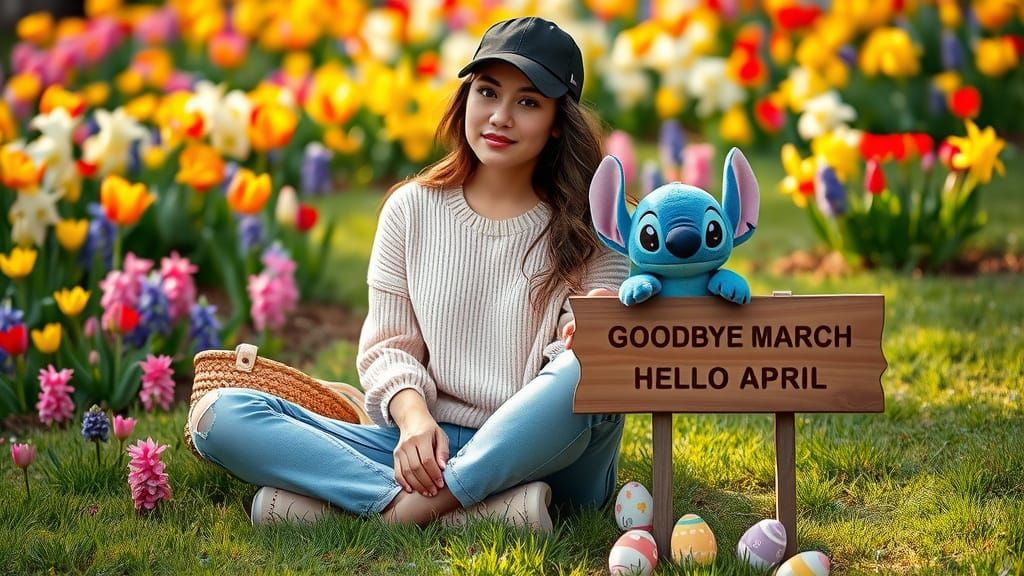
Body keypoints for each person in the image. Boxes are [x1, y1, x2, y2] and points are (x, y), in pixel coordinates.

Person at [187, 16, 628, 532]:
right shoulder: (411, 211)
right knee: (218, 415)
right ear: (466, 97)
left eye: (528, 102)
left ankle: (400, 514)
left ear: (557, 122)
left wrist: (588, 329)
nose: (499, 117)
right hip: (428, 447)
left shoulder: (594, 226)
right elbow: (388, 347)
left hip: (546, 454)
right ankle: (483, 513)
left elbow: (584, 362)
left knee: (588, 363)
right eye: (487, 92)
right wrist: (414, 420)